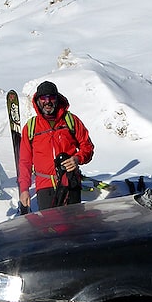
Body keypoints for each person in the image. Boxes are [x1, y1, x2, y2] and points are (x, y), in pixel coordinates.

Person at [18, 81, 95, 212]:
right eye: (43, 98)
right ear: (38, 101)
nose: (47, 102)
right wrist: (24, 189)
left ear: (57, 99)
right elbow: (25, 161)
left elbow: (87, 147)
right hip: (45, 186)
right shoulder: (31, 127)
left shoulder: (71, 120)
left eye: (51, 97)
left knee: (73, 222)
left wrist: (77, 158)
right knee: (50, 224)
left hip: (70, 182)